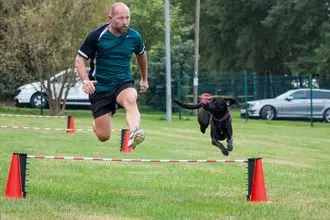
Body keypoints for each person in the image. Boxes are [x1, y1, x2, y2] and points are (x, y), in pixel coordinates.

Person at [75, 2, 148, 149]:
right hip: (100, 87)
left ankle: (134, 132)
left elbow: (141, 55)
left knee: (130, 99)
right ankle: (97, 123)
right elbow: (79, 59)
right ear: (110, 18)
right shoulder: (97, 36)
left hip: (122, 82)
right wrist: (85, 80)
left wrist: (144, 78)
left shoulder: (134, 37)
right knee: (104, 136)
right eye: (121, 18)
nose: (125, 22)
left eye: (128, 18)